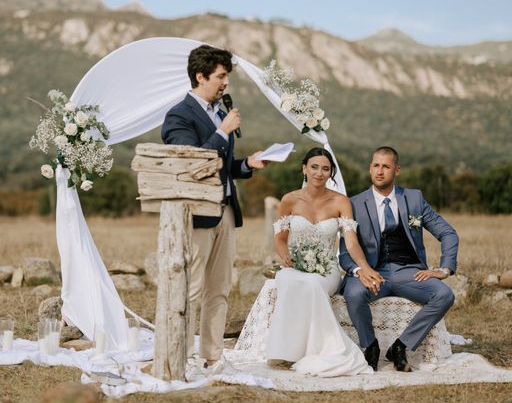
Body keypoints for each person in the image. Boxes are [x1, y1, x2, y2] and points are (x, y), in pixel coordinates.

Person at [161, 44, 268, 370]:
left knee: (219, 289)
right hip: (195, 214)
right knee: (191, 289)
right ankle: (182, 354)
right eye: (221, 77)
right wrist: (223, 132)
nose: (226, 84)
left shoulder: (220, 112)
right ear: (200, 75)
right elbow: (192, 163)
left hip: (225, 210)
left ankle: (212, 355)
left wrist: (246, 164)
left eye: (227, 77)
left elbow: (221, 165)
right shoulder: (179, 115)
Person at [339, 146, 458, 372]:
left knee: (444, 295)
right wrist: (359, 271)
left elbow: (448, 232)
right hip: (372, 270)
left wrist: (444, 269)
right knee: (353, 293)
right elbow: (345, 252)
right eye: (376, 165)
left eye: (386, 166)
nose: (380, 171)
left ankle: (401, 346)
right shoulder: (353, 203)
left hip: (408, 271)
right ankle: (370, 346)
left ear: (397, 170)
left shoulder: (414, 198)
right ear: (370, 168)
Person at [264, 147, 381, 376]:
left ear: (331, 173)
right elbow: (280, 239)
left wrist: (364, 268)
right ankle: (287, 351)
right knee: (286, 278)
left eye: (325, 169)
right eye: (314, 167)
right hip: (296, 266)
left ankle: (323, 349)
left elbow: (351, 242)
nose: (319, 173)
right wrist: (286, 257)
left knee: (313, 284)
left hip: (326, 270)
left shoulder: (341, 202)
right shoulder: (289, 200)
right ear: (304, 169)